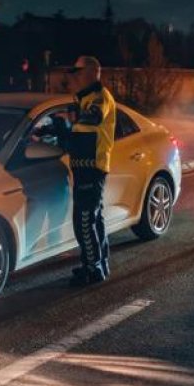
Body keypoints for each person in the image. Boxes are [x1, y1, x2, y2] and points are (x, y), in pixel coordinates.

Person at [63, 56, 116, 285]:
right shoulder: (85, 98)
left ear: (91, 72)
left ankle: (93, 269)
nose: (74, 77)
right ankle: (97, 264)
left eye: (78, 72)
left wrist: (73, 116)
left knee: (84, 220)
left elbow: (93, 118)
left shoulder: (99, 97)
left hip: (92, 168)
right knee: (93, 218)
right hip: (84, 167)